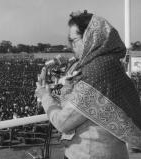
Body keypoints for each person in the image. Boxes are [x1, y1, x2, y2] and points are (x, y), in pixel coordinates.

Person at [35, 10, 141, 159]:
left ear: (91, 38)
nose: (71, 46)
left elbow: (63, 122)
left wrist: (45, 97)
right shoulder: (109, 65)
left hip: (90, 153)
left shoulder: (96, 73)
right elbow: (80, 105)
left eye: (74, 40)